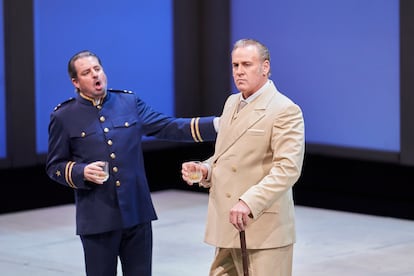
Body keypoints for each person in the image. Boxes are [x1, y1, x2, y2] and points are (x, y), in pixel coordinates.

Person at [46, 50, 218, 276]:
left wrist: (217, 125)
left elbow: (169, 126)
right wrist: (81, 171)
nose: (95, 75)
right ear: (76, 82)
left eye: (97, 69)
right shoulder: (64, 116)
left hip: (137, 214)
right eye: (87, 73)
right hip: (98, 219)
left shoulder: (128, 102)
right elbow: (54, 166)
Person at [182, 39, 305, 276]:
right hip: (228, 225)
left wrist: (249, 202)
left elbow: (287, 169)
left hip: (262, 229)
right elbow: (226, 154)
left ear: (265, 67)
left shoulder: (284, 109)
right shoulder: (232, 103)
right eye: (235, 65)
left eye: (247, 64)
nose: (239, 71)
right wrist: (206, 169)